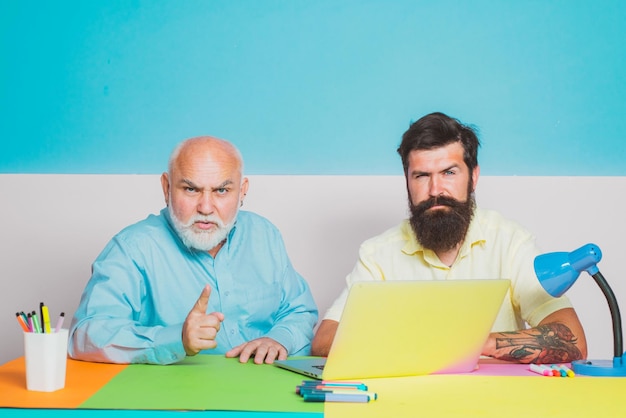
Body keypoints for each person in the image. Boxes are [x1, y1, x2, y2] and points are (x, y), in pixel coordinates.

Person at [311, 112, 587, 364]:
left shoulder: (510, 241)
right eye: (421, 176)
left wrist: (477, 343)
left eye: (449, 173)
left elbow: (574, 339)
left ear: (474, 176)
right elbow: (324, 338)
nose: (435, 190)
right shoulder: (378, 253)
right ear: (407, 181)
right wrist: (419, 344)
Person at [69, 136, 318, 365]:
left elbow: (299, 310)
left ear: (242, 191)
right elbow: (86, 335)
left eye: (221, 190)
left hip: (265, 394)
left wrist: (279, 338)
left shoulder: (265, 235)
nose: (206, 207)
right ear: (167, 188)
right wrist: (176, 338)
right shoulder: (132, 248)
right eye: (191, 189)